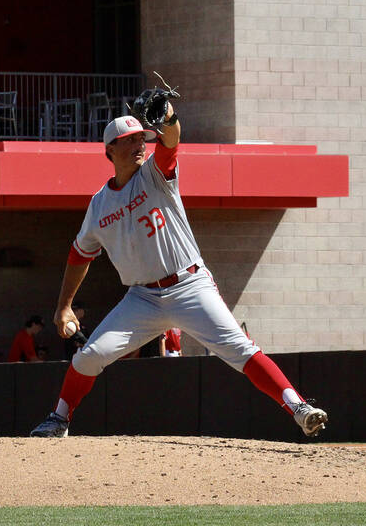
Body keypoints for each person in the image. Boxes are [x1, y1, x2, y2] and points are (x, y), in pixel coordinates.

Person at [29, 101, 328, 439]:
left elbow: (170, 142)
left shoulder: (154, 175)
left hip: (189, 285)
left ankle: (299, 408)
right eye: (129, 140)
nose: (139, 144)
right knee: (90, 355)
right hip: (142, 298)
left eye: (141, 138)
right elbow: (80, 254)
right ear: (109, 149)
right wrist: (64, 305)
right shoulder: (99, 204)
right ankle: (59, 419)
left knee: (240, 350)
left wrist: (169, 118)